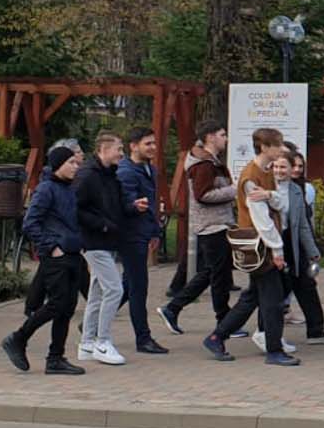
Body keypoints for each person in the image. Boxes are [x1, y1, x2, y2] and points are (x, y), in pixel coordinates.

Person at [202, 131, 301, 366]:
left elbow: (279, 203)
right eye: (277, 145)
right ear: (265, 147)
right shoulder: (251, 177)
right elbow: (261, 219)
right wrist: (277, 250)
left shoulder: (265, 173)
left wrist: (269, 194)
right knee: (273, 300)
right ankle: (274, 350)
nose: (281, 150)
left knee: (251, 298)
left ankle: (217, 336)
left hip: (264, 244)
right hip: (260, 246)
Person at [1, 145, 87, 374]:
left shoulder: (69, 189)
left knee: (67, 307)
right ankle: (18, 338)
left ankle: (55, 358)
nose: (75, 167)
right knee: (57, 304)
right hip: (56, 256)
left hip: (73, 254)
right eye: (71, 163)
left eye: (76, 163)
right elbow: (30, 223)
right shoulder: (46, 189)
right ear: (58, 164)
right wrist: (52, 247)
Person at [159, 121, 235, 335]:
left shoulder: (209, 161)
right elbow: (203, 195)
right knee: (218, 275)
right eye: (222, 134)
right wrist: (233, 191)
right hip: (212, 225)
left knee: (211, 272)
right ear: (210, 137)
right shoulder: (203, 165)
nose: (225, 138)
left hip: (214, 224)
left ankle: (173, 308)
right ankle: (224, 321)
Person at [72, 135, 129, 366]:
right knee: (114, 289)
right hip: (94, 241)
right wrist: (102, 224)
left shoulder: (109, 175)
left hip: (107, 240)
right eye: (118, 149)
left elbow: (113, 205)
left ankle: (86, 342)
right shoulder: (87, 176)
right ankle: (102, 341)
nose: (122, 153)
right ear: (103, 150)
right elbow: (76, 208)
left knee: (97, 292)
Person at [117, 126, 169, 355]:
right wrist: (132, 206)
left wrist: (155, 231)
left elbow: (152, 204)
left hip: (143, 232)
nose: (153, 148)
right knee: (138, 287)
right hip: (130, 235)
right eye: (147, 144)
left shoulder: (149, 169)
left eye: (154, 143)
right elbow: (124, 203)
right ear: (133, 146)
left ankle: (95, 320)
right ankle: (143, 338)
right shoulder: (126, 172)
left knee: (128, 286)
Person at [284, 146, 324, 341]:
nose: (297, 170)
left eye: (300, 166)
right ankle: (225, 331)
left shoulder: (303, 188)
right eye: (293, 166)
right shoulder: (281, 188)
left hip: (300, 246)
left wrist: (311, 247)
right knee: (264, 293)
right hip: (286, 245)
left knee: (306, 286)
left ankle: (315, 329)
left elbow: (305, 222)